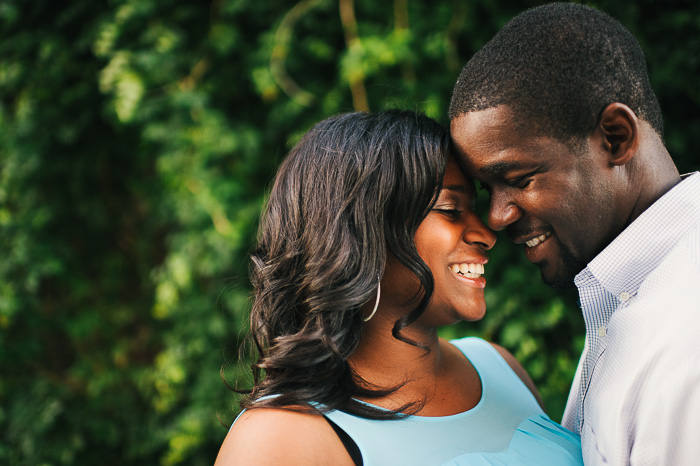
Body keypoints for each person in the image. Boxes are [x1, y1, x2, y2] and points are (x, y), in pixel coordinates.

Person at [215, 110, 583, 465]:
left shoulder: (500, 368)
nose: (487, 235)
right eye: (451, 209)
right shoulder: (281, 437)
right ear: (359, 234)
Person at [449, 3, 700, 465]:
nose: (497, 217)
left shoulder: (686, 338)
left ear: (615, 138)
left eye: (520, 179)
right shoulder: (628, 297)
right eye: (488, 189)